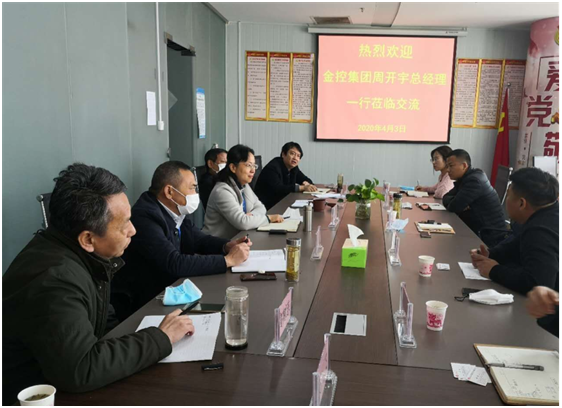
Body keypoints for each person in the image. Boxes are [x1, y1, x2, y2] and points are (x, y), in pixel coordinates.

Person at [2, 163, 195, 406]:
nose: (133, 231)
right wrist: (161, 338)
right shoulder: (55, 281)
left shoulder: (81, 255)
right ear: (88, 239)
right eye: (124, 224)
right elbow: (80, 369)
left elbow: (105, 327)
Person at [111, 161, 251, 321]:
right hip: (144, 304)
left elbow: (198, 239)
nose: (195, 193)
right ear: (169, 191)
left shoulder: (173, 209)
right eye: (192, 188)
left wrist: (226, 246)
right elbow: (174, 263)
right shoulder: (145, 217)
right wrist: (227, 261)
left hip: (170, 291)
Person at [470, 167, 559, 295]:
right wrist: (491, 254)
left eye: (508, 194)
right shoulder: (547, 213)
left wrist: (494, 270)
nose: (506, 199)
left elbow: (538, 284)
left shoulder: (541, 231)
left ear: (522, 203)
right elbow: (516, 245)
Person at [203, 144, 283, 239]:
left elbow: (261, 207)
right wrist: (269, 218)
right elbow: (243, 223)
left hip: (237, 239)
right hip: (216, 244)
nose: (253, 170)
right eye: (248, 165)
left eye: (254, 165)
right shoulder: (222, 191)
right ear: (233, 167)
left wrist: (250, 217)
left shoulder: (244, 185)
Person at [443, 149, 506, 246]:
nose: (448, 170)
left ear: (464, 165)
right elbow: (446, 197)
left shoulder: (474, 181)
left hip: (488, 236)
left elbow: (453, 207)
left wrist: (455, 202)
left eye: (451, 166)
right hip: (476, 228)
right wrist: (457, 202)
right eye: (447, 166)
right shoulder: (467, 178)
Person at [255, 141, 317, 210]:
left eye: (298, 156)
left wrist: (306, 183)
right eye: (292, 154)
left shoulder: (293, 168)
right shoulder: (273, 167)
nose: (295, 158)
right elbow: (279, 189)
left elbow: (305, 179)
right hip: (266, 206)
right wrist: (302, 187)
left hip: (282, 203)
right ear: (283, 154)